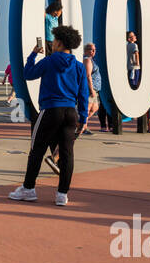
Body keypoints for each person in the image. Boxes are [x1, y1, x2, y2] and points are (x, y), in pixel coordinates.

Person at [9, 25, 88, 206]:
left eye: (53, 42)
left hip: (50, 110)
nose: (51, 45)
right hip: (70, 112)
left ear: (58, 43)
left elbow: (28, 74)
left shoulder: (49, 61)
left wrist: (33, 55)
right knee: (67, 154)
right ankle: (62, 195)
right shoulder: (78, 66)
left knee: (37, 150)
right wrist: (83, 118)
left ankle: (28, 189)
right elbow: (83, 94)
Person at [82, 43, 102, 134]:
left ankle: (80, 123)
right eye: (91, 49)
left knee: (95, 108)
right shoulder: (87, 60)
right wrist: (91, 90)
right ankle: (83, 128)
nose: (93, 51)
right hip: (90, 89)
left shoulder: (91, 60)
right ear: (86, 50)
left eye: (94, 49)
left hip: (95, 89)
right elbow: (88, 76)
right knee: (87, 108)